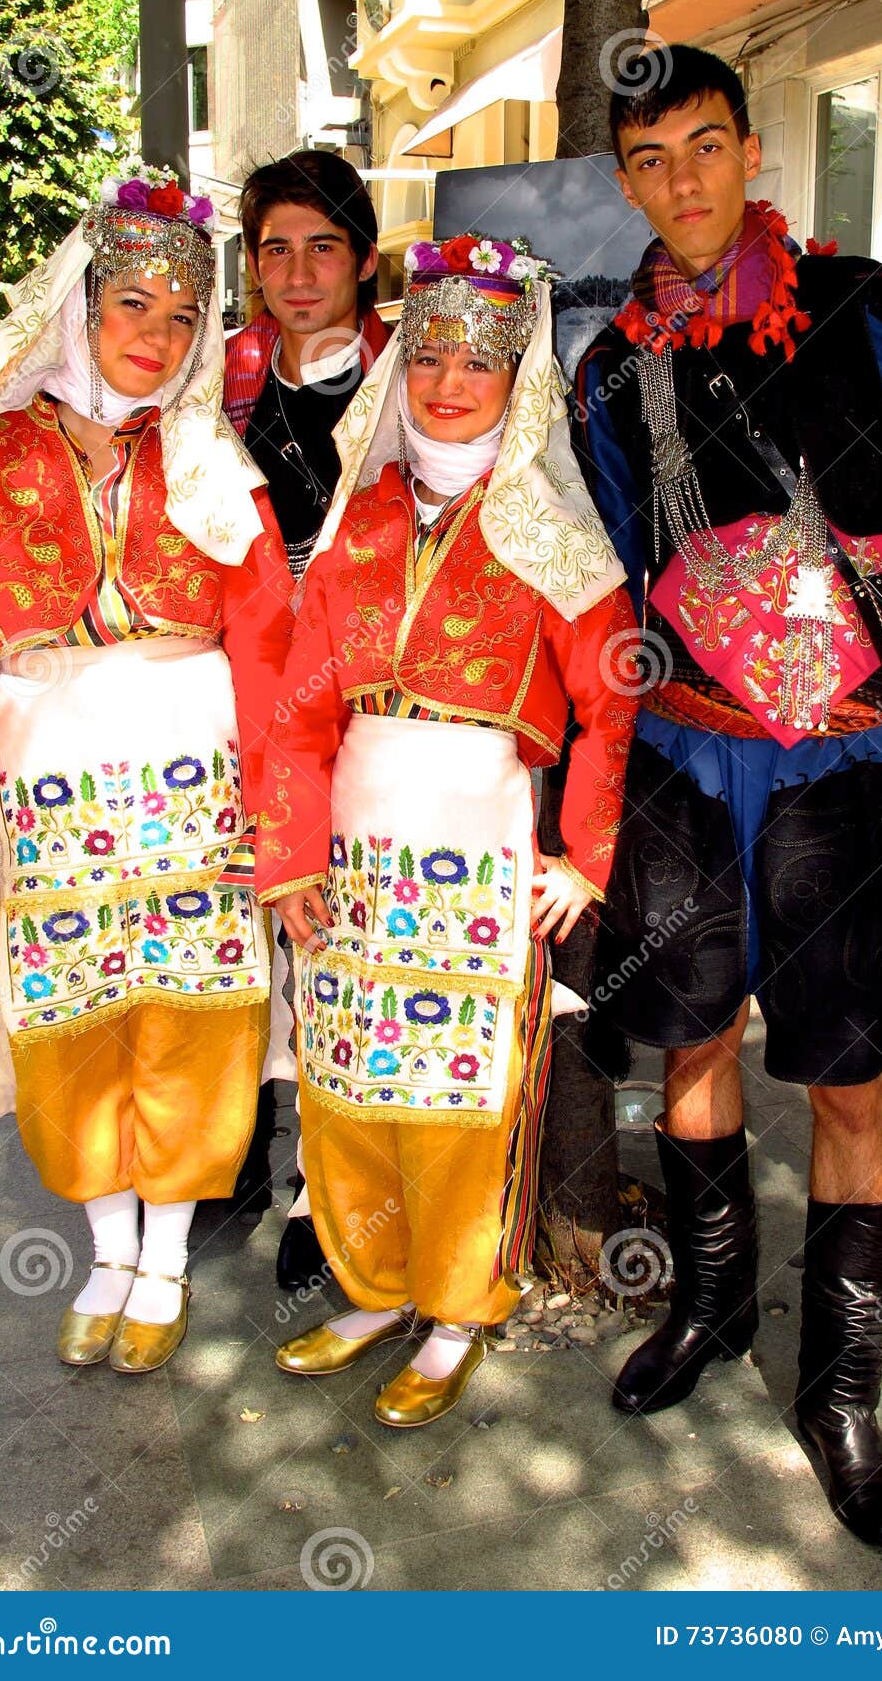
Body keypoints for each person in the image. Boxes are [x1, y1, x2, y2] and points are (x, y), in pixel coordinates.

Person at [575, 45, 882, 1549]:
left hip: (846, 748)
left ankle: (839, 1390)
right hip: (679, 746)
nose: (683, 180)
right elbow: (596, 565)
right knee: (689, 1038)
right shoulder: (612, 365)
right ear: (626, 180)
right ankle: (716, 1313)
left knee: (850, 1064)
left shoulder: (870, 309)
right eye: (652, 158)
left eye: (705, 146)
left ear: (750, 153)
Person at [0, 164, 294, 1375]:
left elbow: (272, 648)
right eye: (134, 308)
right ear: (82, 304)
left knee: (189, 1021)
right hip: (48, 794)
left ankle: (164, 1262)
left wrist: (286, 829)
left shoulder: (215, 464)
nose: (157, 338)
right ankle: (104, 1250)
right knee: (72, 1024)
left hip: (198, 796)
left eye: (184, 318)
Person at [254, 234, 640, 1427]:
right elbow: (298, 706)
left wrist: (582, 850)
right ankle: (373, 1287)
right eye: (428, 354)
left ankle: (460, 1302)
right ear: (400, 366)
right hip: (353, 841)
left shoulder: (548, 525)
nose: (449, 380)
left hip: (478, 837)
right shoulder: (361, 520)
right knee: (351, 1081)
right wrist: (289, 855)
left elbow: (612, 691)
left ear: (517, 376)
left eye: (480, 359)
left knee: (463, 1091)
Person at [222, 150, 391, 1253]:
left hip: (375, 701)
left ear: (364, 260)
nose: (296, 271)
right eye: (274, 248)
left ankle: (323, 1189)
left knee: (348, 930)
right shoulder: (219, 378)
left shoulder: (415, 370)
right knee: (247, 917)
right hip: (242, 689)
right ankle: (239, 1149)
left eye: (321, 246)